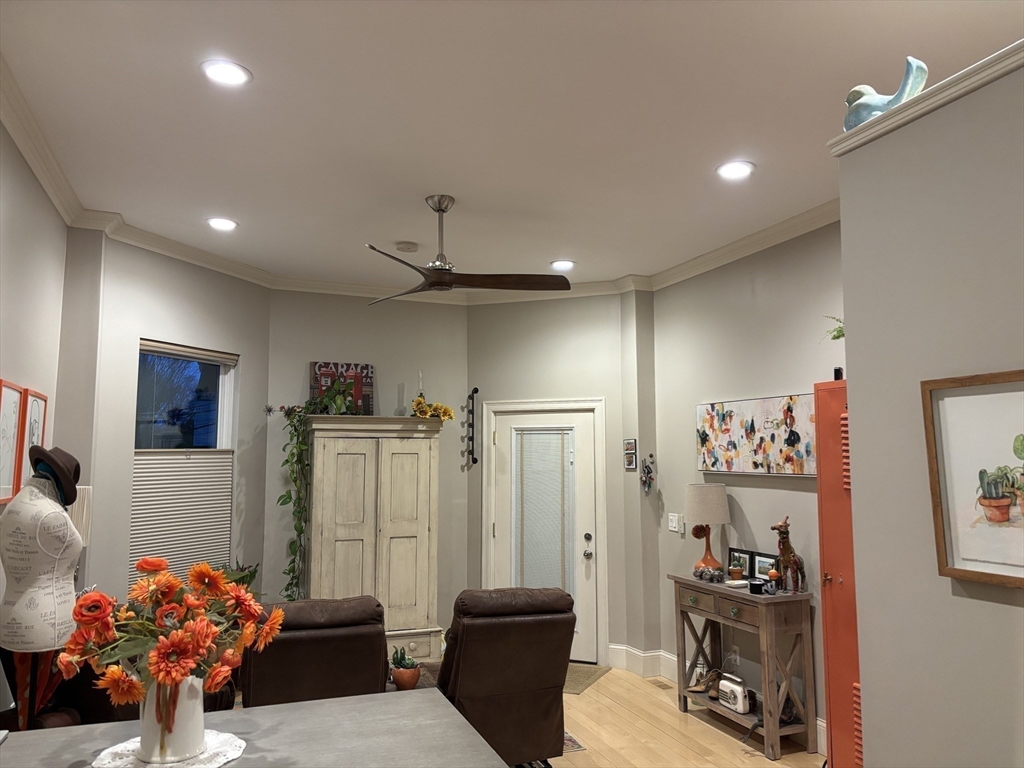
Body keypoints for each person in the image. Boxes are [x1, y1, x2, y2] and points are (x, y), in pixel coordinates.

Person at [0, 446, 82, 729]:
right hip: (45, 624)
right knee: (30, 711)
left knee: (28, 707)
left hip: (14, 615)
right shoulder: (52, 514)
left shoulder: (13, 507)